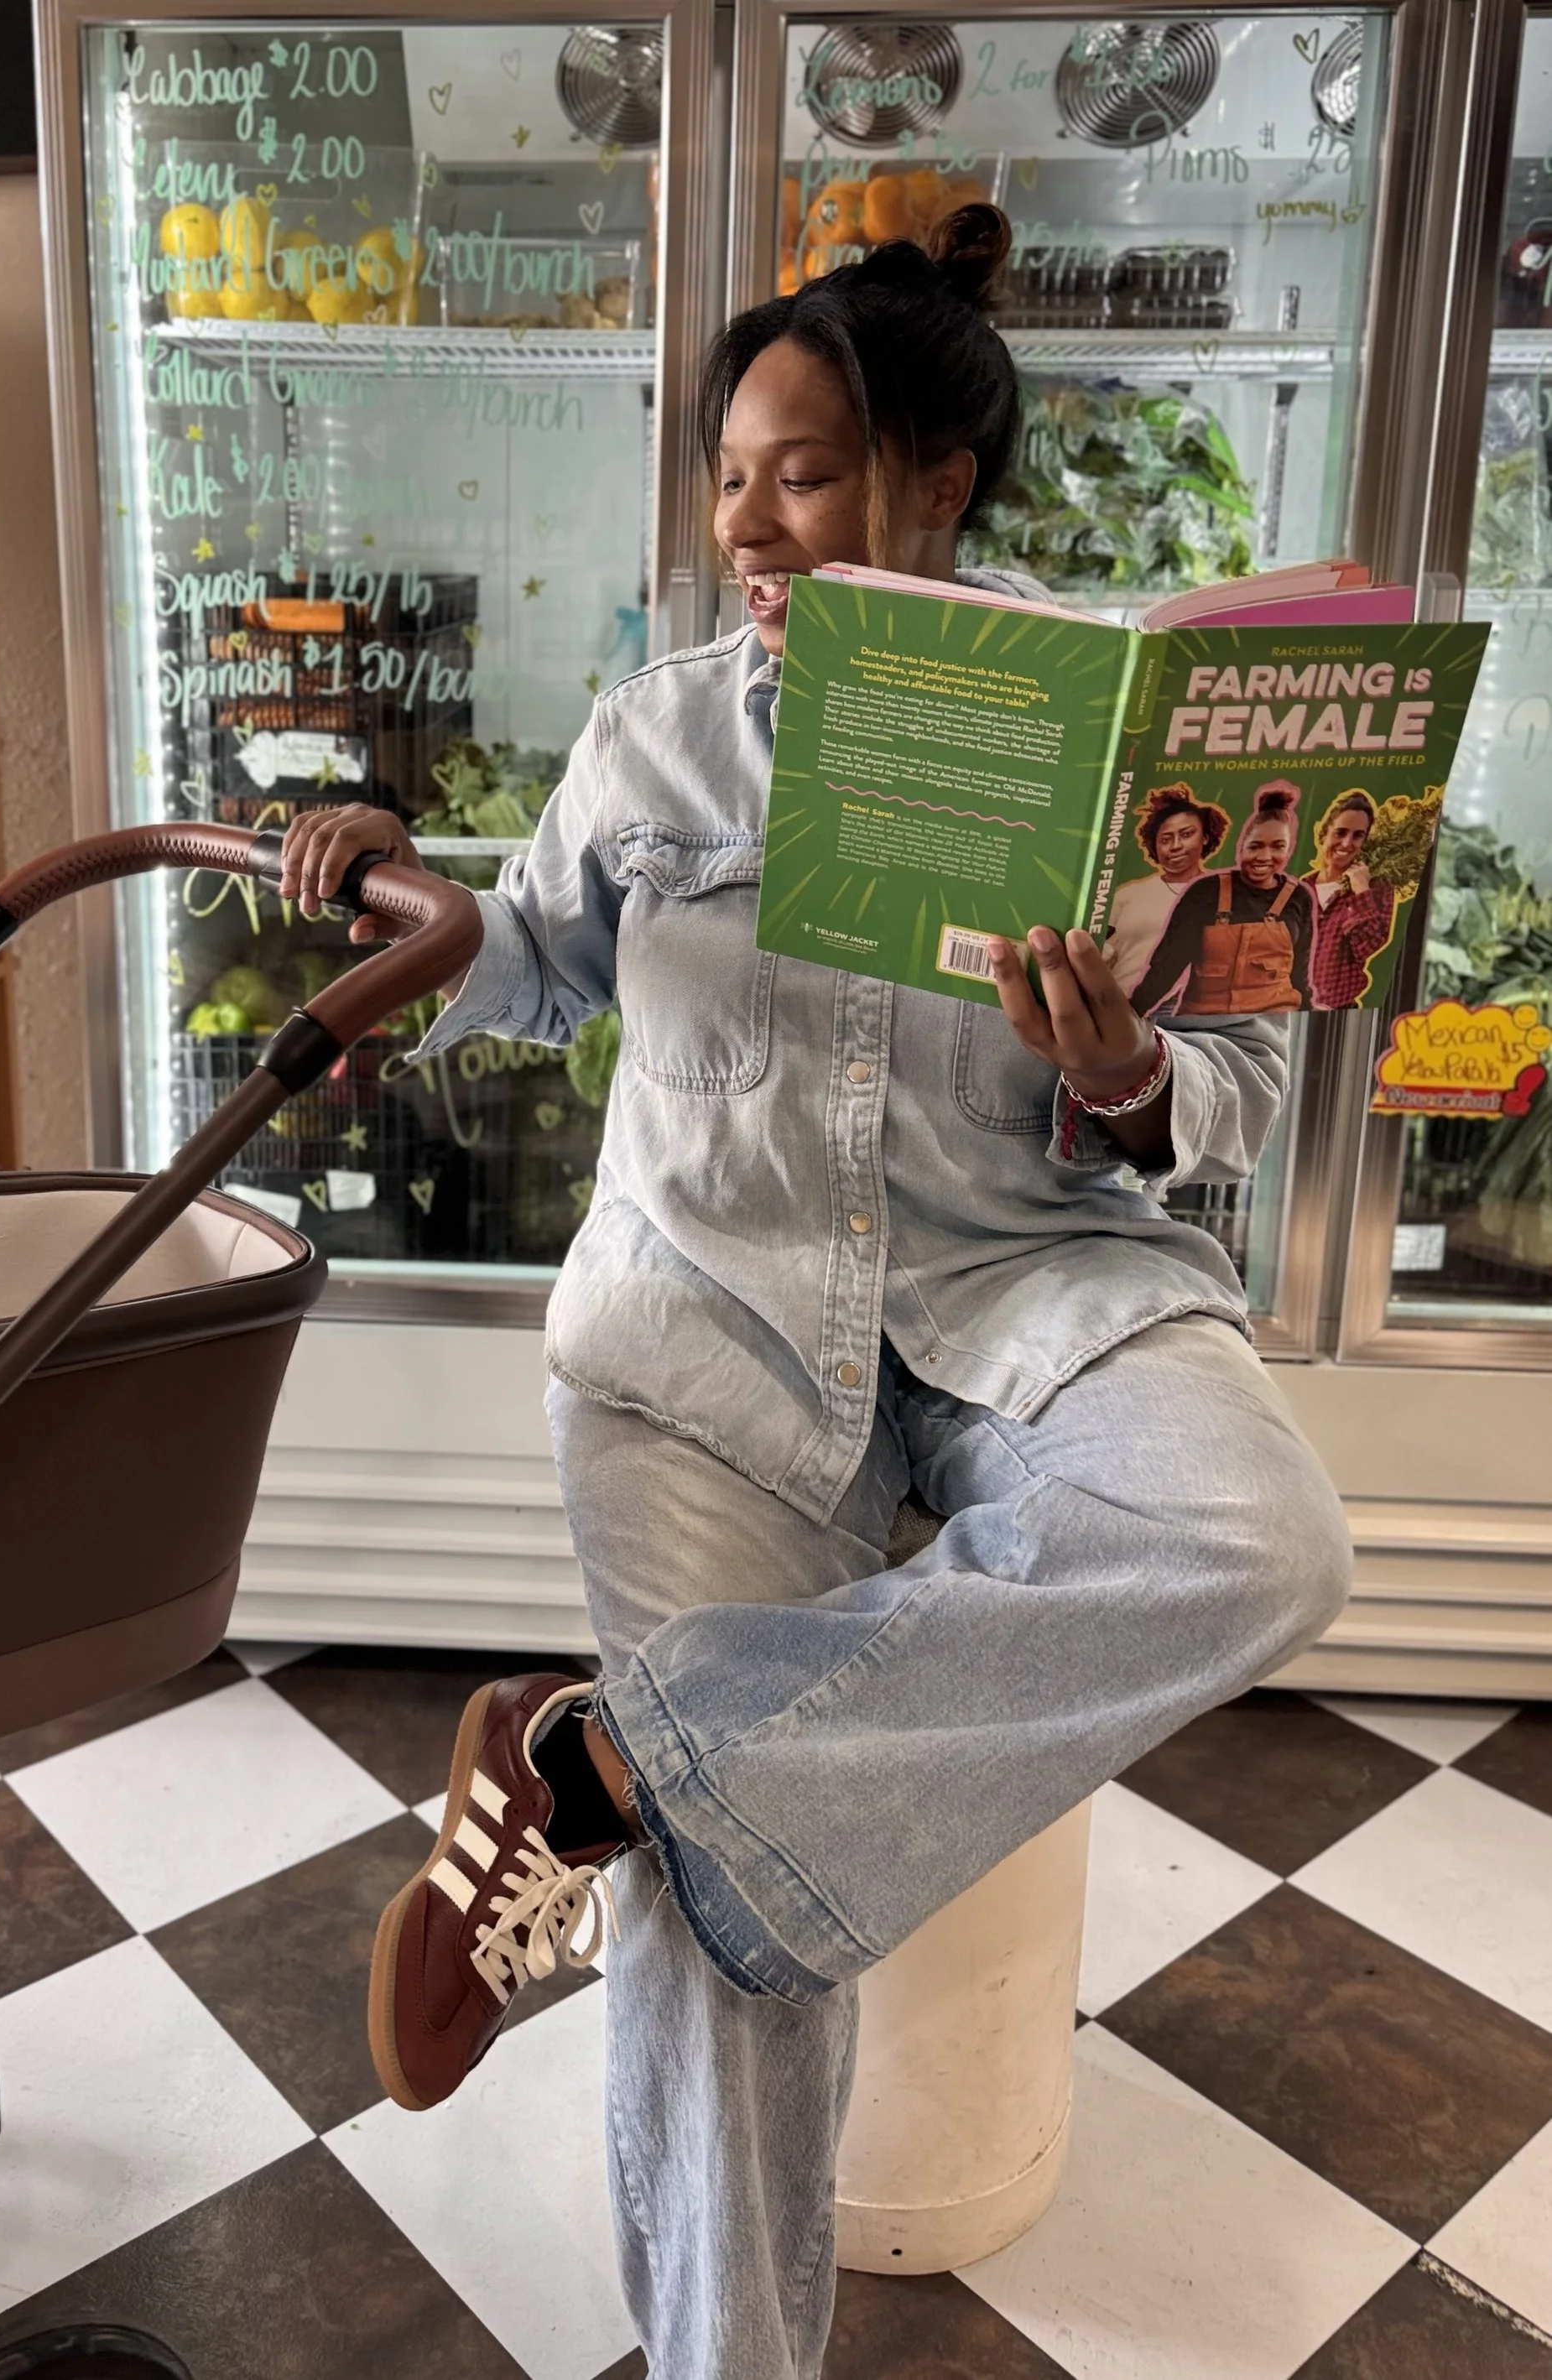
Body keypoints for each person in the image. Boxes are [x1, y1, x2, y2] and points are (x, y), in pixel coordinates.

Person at [280, 207, 1350, 2380]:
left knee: (1265, 1533)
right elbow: (536, 958)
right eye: (727, 469)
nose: (742, 520)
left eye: (802, 470)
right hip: (706, 1323)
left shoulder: (1126, 752)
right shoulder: (658, 740)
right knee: (729, 1933)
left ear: (937, 488)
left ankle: (603, 1764)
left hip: (1038, 1279)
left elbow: (1240, 1074)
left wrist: (1130, 1067)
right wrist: (392, 897)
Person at [1129, 780, 1317, 1018]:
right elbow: (1166, 968)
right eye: (1255, 847)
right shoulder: (1206, 893)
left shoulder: (1299, 897)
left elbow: (1299, 977)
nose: (1265, 857)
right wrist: (1129, 1014)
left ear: (1289, 850)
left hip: (1272, 1022)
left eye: (1278, 847)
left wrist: (1310, 1022)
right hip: (1205, 1023)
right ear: (1241, 847)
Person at [1102, 781, 1231, 995]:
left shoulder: (1227, 894)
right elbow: (1095, 945)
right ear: (1154, 846)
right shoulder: (1128, 896)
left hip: (1200, 1008)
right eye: (1166, 839)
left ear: (1206, 837)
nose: (1176, 846)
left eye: (1187, 834)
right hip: (1124, 1008)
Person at [1303, 789, 1398, 1010]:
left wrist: (1361, 892)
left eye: (1358, 835)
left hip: (1338, 1010)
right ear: (1322, 833)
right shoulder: (1301, 888)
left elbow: (1367, 946)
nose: (1347, 843)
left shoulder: (1377, 889)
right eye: (1340, 832)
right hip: (1290, 1007)